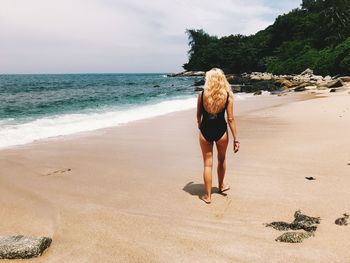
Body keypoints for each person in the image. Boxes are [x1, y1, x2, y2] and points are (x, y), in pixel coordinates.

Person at [196, 68, 239, 204]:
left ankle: (208, 196)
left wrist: (200, 126)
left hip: (205, 131)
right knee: (221, 160)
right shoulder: (228, 96)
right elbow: (230, 119)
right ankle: (221, 186)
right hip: (221, 132)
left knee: (207, 164)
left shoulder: (202, 95)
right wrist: (236, 138)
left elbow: (198, 115)